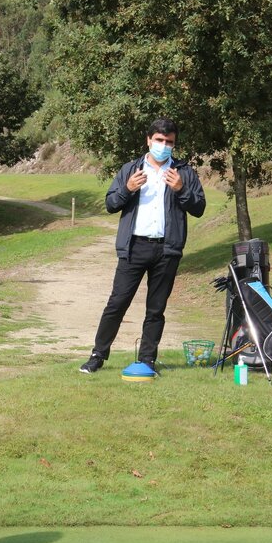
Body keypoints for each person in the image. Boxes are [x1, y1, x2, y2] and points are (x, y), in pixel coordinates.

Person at [80, 117, 206, 375]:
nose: (163, 145)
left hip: (167, 250)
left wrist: (181, 189)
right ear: (149, 140)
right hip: (133, 247)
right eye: (159, 140)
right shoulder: (130, 169)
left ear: (174, 144)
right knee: (117, 303)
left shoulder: (183, 173)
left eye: (169, 142)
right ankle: (97, 355)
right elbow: (111, 204)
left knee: (156, 309)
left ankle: (147, 360)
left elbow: (199, 208)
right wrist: (127, 188)